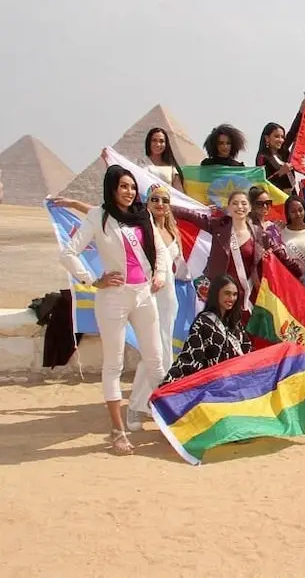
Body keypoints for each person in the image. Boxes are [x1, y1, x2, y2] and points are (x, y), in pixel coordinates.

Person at [52, 181, 186, 433]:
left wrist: (161, 275)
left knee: (161, 356)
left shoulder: (163, 227)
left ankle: (157, 409)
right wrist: (92, 279)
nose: (160, 204)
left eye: (165, 200)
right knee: (143, 359)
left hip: (165, 298)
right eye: (155, 199)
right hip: (135, 295)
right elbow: (102, 214)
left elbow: (168, 261)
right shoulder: (130, 221)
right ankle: (136, 407)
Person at [174, 190, 269, 317]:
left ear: (250, 207)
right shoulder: (219, 225)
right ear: (228, 207)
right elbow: (192, 216)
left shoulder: (260, 234)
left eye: (244, 203)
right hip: (219, 291)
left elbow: (276, 256)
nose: (239, 207)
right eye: (235, 203)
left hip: (245, 295)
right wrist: (169, 207)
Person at [162, 275, 250, 382]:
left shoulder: (236, 324)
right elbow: (190, 358)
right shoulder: (203, 322)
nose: (231, 298)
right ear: (216, 293)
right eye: (227, 293)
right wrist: (169, 383)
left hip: (237, 383)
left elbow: (248, 352)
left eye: (235, 294)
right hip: (213, 385)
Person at [271, 195, 305, 289]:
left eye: (300, 210)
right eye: (293, 211)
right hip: (289, 285)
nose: (298, 214)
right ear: (288, 214)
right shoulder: (280, 233)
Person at [255, 122, 295, 195]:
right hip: (275, 197)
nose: (280, 140)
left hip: (290, 196)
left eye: (282, 137)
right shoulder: (262, 157)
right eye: (276, 136)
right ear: (267, 138)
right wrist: (280, 173)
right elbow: (262, 183)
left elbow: (292, 133)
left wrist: (301, 115)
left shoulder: (284, 154)